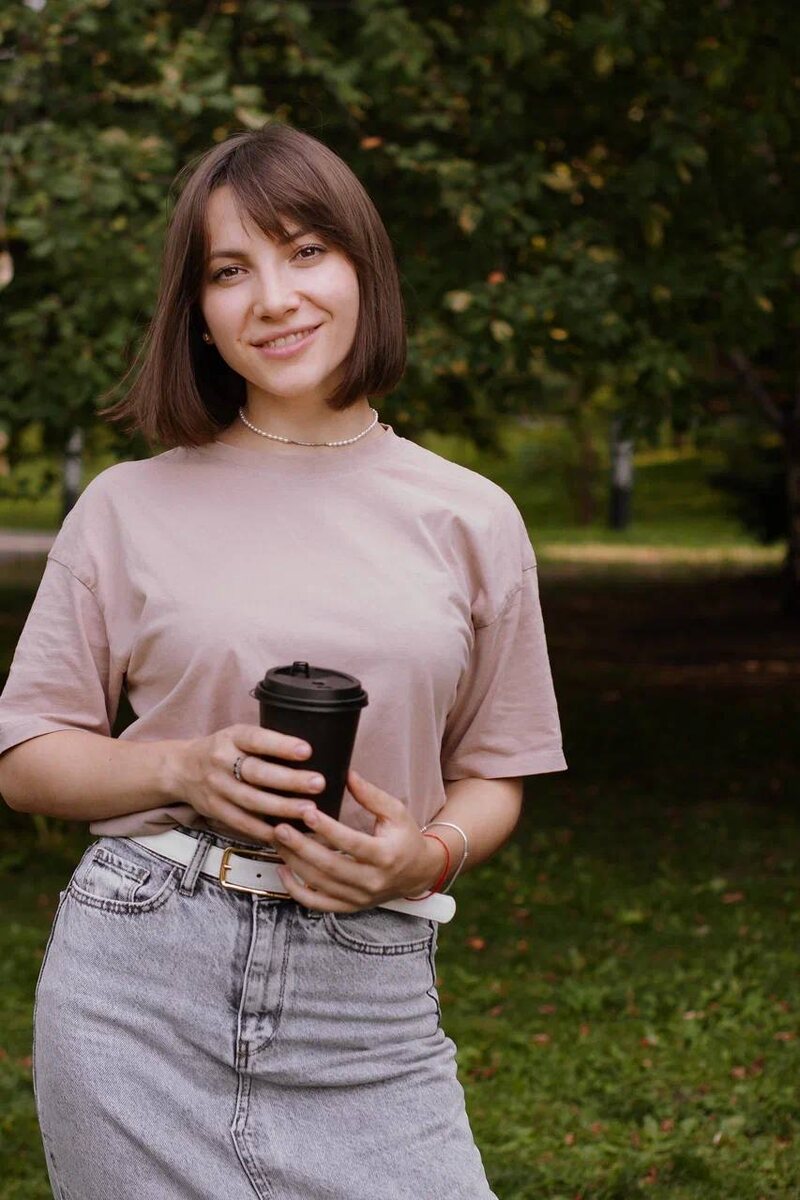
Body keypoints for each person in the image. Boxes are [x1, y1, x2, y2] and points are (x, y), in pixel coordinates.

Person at [0, 124, 567, 1200]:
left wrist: (427, 857)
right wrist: (179, 769)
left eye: (305, 251)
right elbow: (27, 754)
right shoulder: (127, 504)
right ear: (199, 317)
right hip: (135, 987)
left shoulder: (470, 517)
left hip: (370, 1004)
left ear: (363, 270)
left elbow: (497, 769)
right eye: (229, 271)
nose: (272, 298)